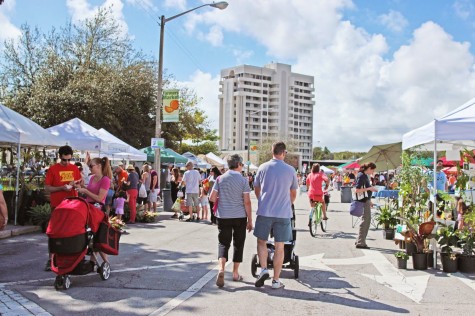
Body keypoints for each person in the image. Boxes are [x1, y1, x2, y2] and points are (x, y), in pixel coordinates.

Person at [253, 141, 298, 289]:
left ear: (272, 151)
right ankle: (276, 280)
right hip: (283, 213)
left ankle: (264, 269)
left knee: (261, 241)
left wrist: (262, 200)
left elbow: (257, 188)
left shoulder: (263, 167)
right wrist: (288, 203)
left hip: (265, 211)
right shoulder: (291, 170)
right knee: (280, 246)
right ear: (284, 152)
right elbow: (293, 193)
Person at [209, 154, 253, 287]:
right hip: (239, 216)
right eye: (242, 164)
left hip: (223, 216)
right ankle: (235, 273)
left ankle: (221, 269)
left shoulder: (220, 179)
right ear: (238, 164)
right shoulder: (243, 180)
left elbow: (212, 197)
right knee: (238, 244)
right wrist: (250, 220)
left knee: (223, 243)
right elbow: (247, 202)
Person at [44, 145, 82, 271]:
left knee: (73, 232)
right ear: (60, 157)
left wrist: (76, 186)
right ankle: (51, 259)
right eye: (64, 160)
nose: (66, 163)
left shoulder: (74, 168)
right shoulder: (53, 169)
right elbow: (47, 188)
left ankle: (72, 258)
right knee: (54, 232)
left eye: (69, 160)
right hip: (57, 206)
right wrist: (61, 188)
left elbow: (80, 183)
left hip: (72, 205)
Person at [75, 156, 112, 263]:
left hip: (98, 209)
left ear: (99, 166)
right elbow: (91, 192)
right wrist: (82, 187)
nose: (89, 168)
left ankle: (106, 262)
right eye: (89, 166)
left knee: (96, 236)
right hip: (88, 207)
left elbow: (100, 198)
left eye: (91, 166)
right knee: (89, 235)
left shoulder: (105, 180)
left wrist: (85, 191)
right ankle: (93, 260)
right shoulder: (91, 178)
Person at [354, 162, 378, 249]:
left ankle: (359, 240)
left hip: (365, 200)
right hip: (363, 201)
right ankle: (361, 242)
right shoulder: (361, 176)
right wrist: (370, 188)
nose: (373, 171)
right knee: (366, 220)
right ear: (369, 168)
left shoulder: (363, 175)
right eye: (373, 169)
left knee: (366, 220)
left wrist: (369, 201)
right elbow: (357, 190)